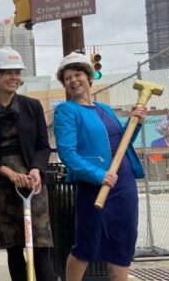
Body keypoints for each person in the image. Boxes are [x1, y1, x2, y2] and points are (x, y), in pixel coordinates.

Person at [53, 52, 146, 281]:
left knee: (123, 240)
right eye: (68, 78)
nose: (74, 80)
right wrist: (99, 175)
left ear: (89, 77)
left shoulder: (104, 108)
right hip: (95, 185)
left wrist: (136, 122)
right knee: (87, 243)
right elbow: (68, 154)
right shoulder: (66, 111)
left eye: (78, 74)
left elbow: (122, 143)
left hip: (123, 183)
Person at [0, 48, 55, 281]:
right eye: (8, 73)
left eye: (17, 73)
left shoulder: (32, 106)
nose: (14, 78)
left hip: (33, 182)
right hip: (1, 183)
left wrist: (35, 170)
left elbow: (43, 145)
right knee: (14, 247)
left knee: (40, 246)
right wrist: (8, 173)